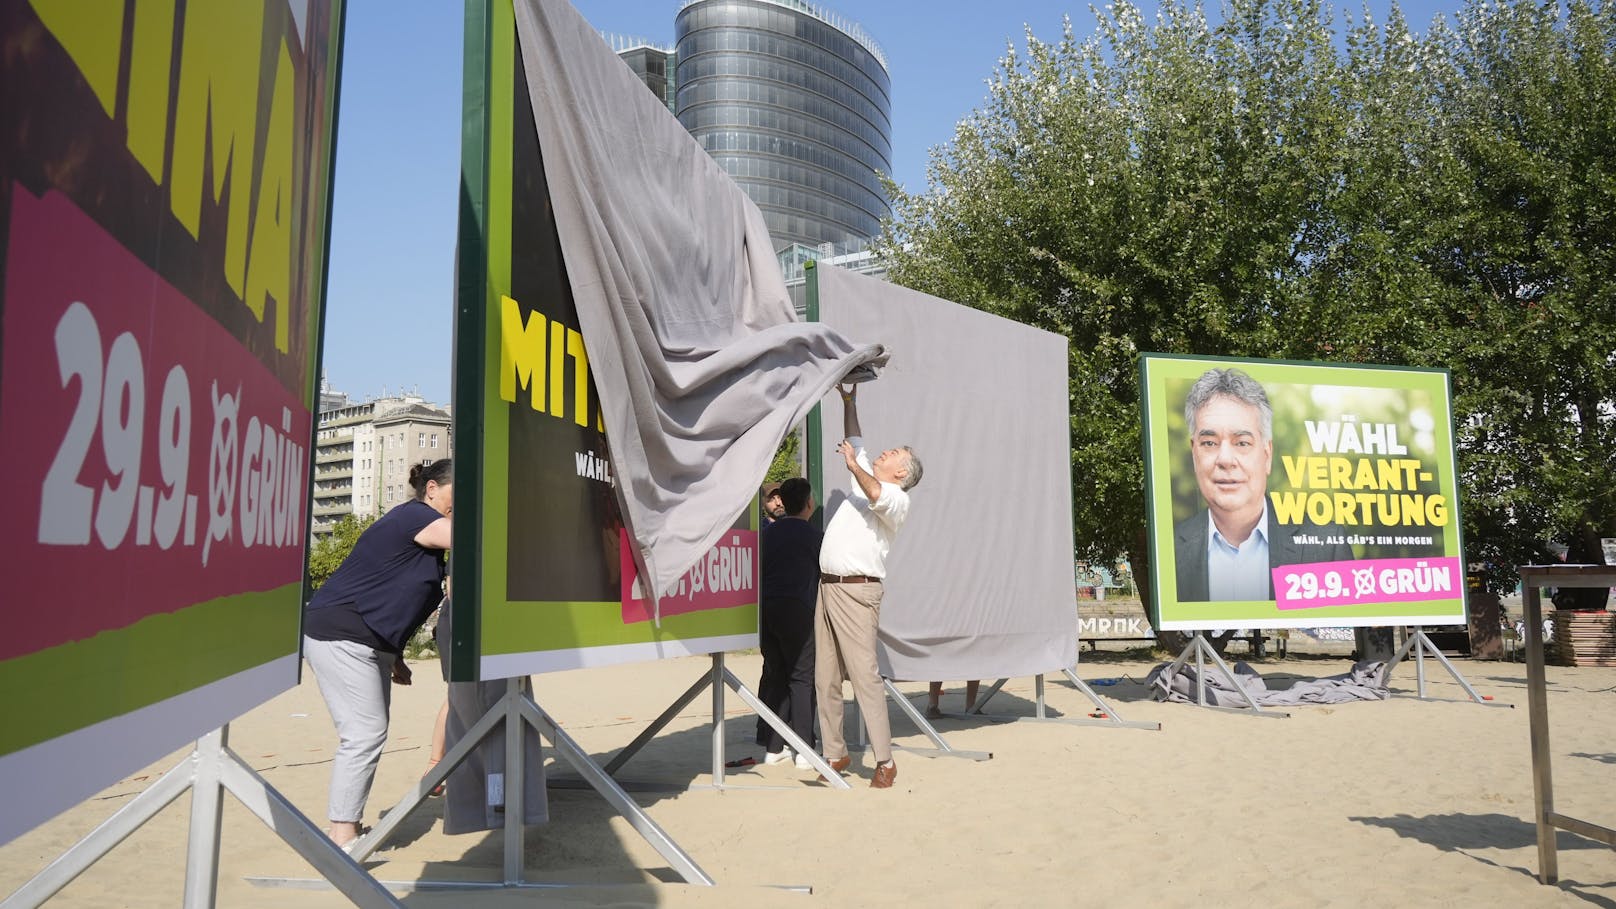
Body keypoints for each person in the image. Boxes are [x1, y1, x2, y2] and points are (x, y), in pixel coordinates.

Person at [303, 459, 453, 848]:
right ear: (432, 488)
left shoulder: (423, 536)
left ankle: (346, 826)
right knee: (364, 733)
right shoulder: (413, 516)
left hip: (368, 640)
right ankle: (342, 834)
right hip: (341, 632)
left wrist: (394, 655)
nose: (462, 506)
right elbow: (467, 535)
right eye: (459, 495)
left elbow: (394, 594)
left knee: (369, 731)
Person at [815, 383, 921, 789]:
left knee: (864, 677)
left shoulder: (896, 498)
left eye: (894, 453)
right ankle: (836, 754)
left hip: (858, 593)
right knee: (825, 677)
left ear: (901, 472)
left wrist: (855, 467)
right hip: (827, 587)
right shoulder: (866, 482)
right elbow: (855, 439)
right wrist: (848, 400)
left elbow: (873, 488)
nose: (885, 451)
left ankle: (885, 762)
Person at [1172, 369, 1353, 602]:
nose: (1225, 459)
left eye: (1242, 443)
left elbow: (1341, 635)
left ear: (1266, 455)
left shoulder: (1325, 545)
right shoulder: (1171, 550)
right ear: (1194, 454)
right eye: (1209, 442)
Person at [753, 477, 822, 769]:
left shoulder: (766, 534)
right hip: (798, 610)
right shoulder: (815, 537)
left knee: (777, 675)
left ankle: (773, 747)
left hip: (766, 610)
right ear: (809, 503)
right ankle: (804, 750)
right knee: (802, 678)